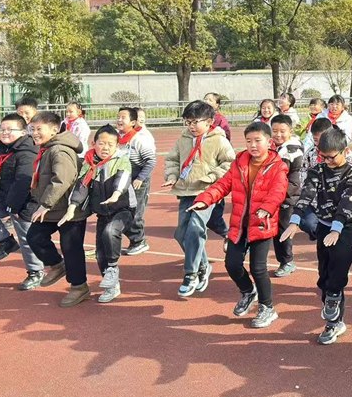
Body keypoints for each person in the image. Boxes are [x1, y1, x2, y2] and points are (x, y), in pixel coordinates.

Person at [189, 121, 289, 329]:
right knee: (232, 264)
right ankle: (248, 291)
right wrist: (205, 199)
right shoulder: (240, 162)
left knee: (258, 268)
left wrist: (267, 208)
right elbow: (223, 184)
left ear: (269, 142)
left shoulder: (278, 166)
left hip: (261, 225)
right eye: (248, 141)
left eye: (257, 141)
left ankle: (267, 307)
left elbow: (278, 191)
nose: (253, 145)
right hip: (239, 224)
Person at [281, 127, 352, 345]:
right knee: (325, 275)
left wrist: (337, 228)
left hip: (347, 223)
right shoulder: (317, 170)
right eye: (323, 156)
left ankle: (333, 313)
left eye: (331, 157)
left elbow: (347, 203)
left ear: (345, 151)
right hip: (325, 223)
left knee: (340, 257)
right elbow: (307, 194)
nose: (327, 161)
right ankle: (335, 317)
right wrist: (295, 220)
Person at [162, 100, 235, 298]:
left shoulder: (219, 140)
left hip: (208, 191)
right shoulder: (183, 138)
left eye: (196, 122)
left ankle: (190, 274)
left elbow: (230, 163)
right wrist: (172, 176)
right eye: (188, 122)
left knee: (195, 228)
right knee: (181, 234)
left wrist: (211, 177)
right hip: (186, 191)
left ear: (209, 121)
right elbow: (172, 159)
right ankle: (203, 266)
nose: (191, 126)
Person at [60, 125, 137, 304]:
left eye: (110, 144)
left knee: (110, 232)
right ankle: (112, 286)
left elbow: (123, 179)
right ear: (93, 144)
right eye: (101, 143)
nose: (105, 148)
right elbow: (82, 186)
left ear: (117, 146)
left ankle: (114, 266)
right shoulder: (89, 163)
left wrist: (116, 194)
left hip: (123, 208)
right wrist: (72, 207)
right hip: (103, 212)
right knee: (101, 253)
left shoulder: (121, 160)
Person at [23, 112, 89, 305]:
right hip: (54, 207)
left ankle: (79, 287)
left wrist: (45, 204)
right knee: (35, 236)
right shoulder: (47, 148)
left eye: (39, 129)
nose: (34, 133)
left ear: (54, 130)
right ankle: (57, 265)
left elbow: (62, 179)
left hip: (69, 209)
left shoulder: (59, 150)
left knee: (71, 248)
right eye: (32, 129)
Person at [0, 114, 43, 289]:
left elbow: (23, 182)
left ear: (23, 132)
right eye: (2, 129)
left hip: (25, 202)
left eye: (9, 129)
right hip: (4, 198)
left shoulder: (27, 152)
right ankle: (6, 242)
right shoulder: (3, 149)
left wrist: (13, 207)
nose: (4, 132)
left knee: (26, 237)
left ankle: (35, 272)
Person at [115, 107, 157, 257]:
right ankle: (130, 241)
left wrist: (140, 178)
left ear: (133, 122)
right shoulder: (116, 138)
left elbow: (151, 161)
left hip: (137, 180)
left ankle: (139, 241)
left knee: (135, 212)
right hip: (122, 179)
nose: (119, 120)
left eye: (123, 118)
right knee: (119, 211)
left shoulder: (139, 139)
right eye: (118, 117)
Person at [271, 113, 304, 278]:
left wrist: (280, 196)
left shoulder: (292, 150)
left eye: (282, 131)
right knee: (274, 229)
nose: (278, 134)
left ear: (290, 131)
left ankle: (287, 261)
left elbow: (293, 180)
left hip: (287, 197)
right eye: (274, 131)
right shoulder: (274, 147)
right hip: (274, 195)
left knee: (283, 230)